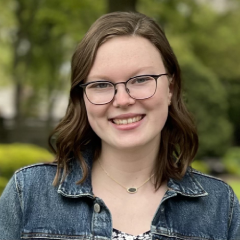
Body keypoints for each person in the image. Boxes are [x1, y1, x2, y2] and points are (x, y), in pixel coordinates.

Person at [0, 11, 239, 240]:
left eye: (141, 79)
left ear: (171, 88)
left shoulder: (220, 207)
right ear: (82, 98)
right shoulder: (27, 194)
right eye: (101, 84)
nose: (123, 100)